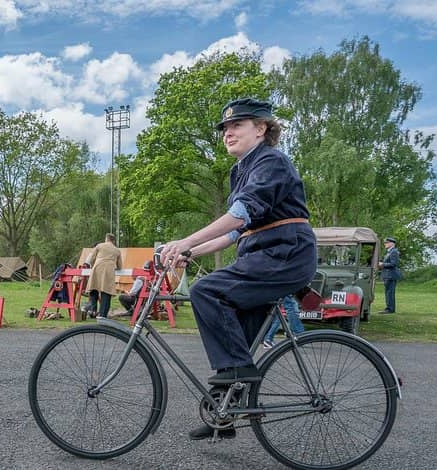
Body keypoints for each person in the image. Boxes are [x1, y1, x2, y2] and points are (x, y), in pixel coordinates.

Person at [159, 98, 316, 441]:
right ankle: (225, 414)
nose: (228, 132)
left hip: (284, 254)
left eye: (237, 125)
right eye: (225, 128)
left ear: (261, 129)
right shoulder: (242, 169)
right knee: (238, 340)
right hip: (263, 256)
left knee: (206, 291)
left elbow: (241, 214)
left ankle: (238, 373)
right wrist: (189, 252)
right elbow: (234, 232)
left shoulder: (271, 162)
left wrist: (185, 241)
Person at [85, 234, 122, 319]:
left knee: (93, 289)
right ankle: (103, 315)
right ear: (113, 241)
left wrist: (94, 265)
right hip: (109, 271)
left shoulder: (99, 246)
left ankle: (92, 310)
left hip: (97, 268)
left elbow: (91, 259)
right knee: (106, 293)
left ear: (106, 239)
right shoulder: (117, 250)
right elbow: (120, 266)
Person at [378, 237, 402, 314]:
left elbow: (394, 264)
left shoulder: (394, 252)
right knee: (388, 292)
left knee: (390, 292)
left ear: (392, 243)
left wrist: (382, 264)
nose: (385, 244)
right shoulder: (389, 252)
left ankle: (390, 309)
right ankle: (389, 308)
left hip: (391, 275)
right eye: (385, 243)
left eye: (386, 243)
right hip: (387, 275)